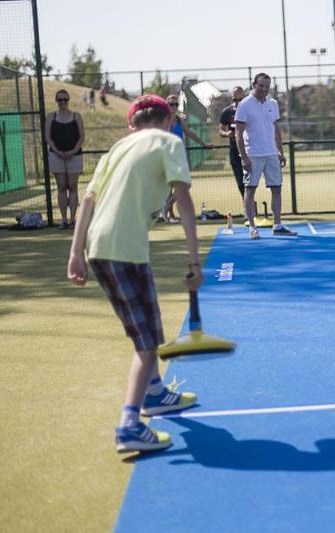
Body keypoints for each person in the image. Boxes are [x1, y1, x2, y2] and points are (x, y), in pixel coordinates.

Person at [67, 94, 203, 453]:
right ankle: (129, 424)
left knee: (140, 327)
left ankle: (155, 393)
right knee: (147, 343)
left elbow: (87, 201)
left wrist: (74, 253)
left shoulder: (116, 149)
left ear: (131, 124)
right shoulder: (170, 141)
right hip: (126, 250)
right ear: (169, 117)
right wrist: (194, 260)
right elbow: (183, 199)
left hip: (98, 248)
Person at [235, 73, 296, 239]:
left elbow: (275, 130)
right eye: (261, 85)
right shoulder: (244, 105)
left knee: (277, 189)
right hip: (252, 154)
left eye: (267, 86)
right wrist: (244, 157)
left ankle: (277, 225)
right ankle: (252, 228)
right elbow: (238, 134)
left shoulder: (273, 103)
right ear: (254, 84)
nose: (264, 89)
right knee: (250, 190)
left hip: (271, 154)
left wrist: (280, 153)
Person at [160, 94, 213, 222]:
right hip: (166, 156)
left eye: (176, 104)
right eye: (170, 104)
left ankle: (166, 207)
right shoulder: (162, 120)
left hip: (180, 156)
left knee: (185, 183)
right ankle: (169, 215)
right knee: (168, 186)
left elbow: (190, 133)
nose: (173, 107)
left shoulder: (180, 120)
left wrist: (204, 144)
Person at [45, 89, 85, 229]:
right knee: (61, 186)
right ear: (56, 101)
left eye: (65, 99)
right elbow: (48, 138)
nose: (62, 102)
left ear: (68, 100)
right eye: (60, 100)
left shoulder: (76, 116)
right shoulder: (51, 116)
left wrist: (72, 151)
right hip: (56, 156)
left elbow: (82, 137)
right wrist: (57, 151)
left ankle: (73, 219)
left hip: (74, 155)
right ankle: (63, 220)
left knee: (72, 186)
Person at [219, 86, 247, 201]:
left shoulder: (248, 110)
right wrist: (227, 134)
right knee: (240, 181)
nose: (237, 103)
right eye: (235, 100)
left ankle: (251, 205)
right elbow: (221, 130)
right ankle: (247, 207)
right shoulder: (227, 112)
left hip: (249, 150)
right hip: (235, 150)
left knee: (250, 182)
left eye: (240, 100)